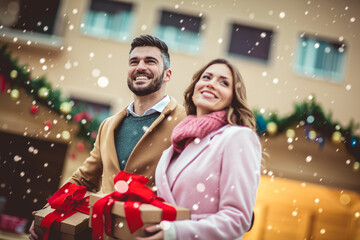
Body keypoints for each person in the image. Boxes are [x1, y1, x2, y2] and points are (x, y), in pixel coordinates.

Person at [28, 34, 186, 240]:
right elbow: (83, 179)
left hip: (153, 234)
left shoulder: (186, 121)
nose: (140, 67)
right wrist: (47, 212)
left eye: (150, 61)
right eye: (134, 62)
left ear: (167, 74)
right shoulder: (108, 125)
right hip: (103, 233)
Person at [137, 59, 262, 240]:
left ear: (233, 97)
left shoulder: (238, 137)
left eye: (223, 82)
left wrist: (176, 232)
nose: (211, 84)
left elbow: (238, 218)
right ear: (195, 87)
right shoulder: (178, 144)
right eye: (207, 77)